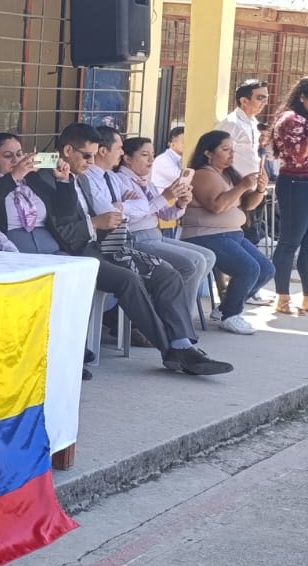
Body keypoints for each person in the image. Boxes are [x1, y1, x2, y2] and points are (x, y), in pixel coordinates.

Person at [44, 123, 230, 376]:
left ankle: (182, 343)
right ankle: (171, 350)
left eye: (94, 155)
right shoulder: (54, 178)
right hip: (85, 249)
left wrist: (141, 205)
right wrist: (102, 218)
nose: (91, 162)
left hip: (110, 242)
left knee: (167, 273)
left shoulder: (91, 177)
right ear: (67, 151)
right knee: (131, 278)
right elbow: (93, 218)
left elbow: (123, 211)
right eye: (87, 156)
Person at [107, 135, 214, 327]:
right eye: (144, 155)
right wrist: (164, 197)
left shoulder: (145, 182)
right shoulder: (119, 180)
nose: (151, 160)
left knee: (208, 256)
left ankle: (173, 313)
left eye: (153, 154)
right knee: (193, 263)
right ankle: (177, 320)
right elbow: (129, 216)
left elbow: (165, 214)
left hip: (155, 234)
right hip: (135, 237)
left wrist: (180, 203)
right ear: (127, 158)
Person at [182, 130, 273, 334]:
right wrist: (242, 186)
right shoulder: (203, 174)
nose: (231, 154)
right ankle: (230, 315)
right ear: (208, 153)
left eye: (232, 149)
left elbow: (248, 205)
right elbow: (217, 206)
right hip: (206, 235)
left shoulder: (229, 174)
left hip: (232, 234)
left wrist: (259, 189)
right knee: (248, 269)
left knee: (266, 269)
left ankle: (225, 308)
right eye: (225, 149)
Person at [0, 133, 69, 254]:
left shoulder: (31, 178)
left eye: (19, 154)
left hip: (51, 248)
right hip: (9, 252)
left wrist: (63, 181)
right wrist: (13, 177)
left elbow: (64, 211)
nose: (16, 160)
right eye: (8, 156)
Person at [270, 76, 308, 316]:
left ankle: (306, 299)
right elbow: (299, 155)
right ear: (303, 97)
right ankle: (282, 296)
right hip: (296, 184)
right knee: (290, 242)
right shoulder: (291, 119)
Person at [219, 79, 271, 247]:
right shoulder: (231, 123)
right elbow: (217, 155)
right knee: (238, 241)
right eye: (260, 97)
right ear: (244, 100)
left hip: (255, 189)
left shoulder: (254, 123)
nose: (264, 102)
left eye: (266, 98)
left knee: (252, 240)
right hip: (236, 190)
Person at [150, 125, 187, 195]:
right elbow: (184, 179)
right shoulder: (163, 159)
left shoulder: (181, 158)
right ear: (172, 145)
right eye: (184, 142)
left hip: (174, 197)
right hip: (162, 198)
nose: (188, 144)